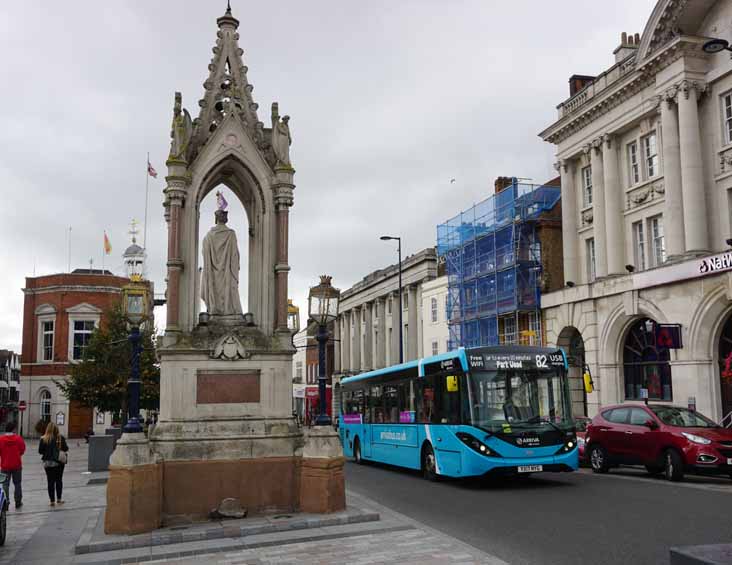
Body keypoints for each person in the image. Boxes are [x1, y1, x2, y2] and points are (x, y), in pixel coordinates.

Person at [38, 422, 68, 507]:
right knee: (59, 480)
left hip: (47, 462)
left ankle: (52, 501)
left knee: (50, 481)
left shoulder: (43, 438)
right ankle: (59, 499)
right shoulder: (60, 438)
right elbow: (66, 448)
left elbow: (40, 451)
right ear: (56, 429)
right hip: (58, 462)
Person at [0, 421, 25, 509]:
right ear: (13, 429)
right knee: (17, 483)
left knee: (5, 484)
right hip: (17, 465)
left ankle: (6, 502)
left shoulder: (1, 439)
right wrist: (17, 455)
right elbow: (22, 450)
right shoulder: (18, 439)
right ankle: (18, 502)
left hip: (5, 465)